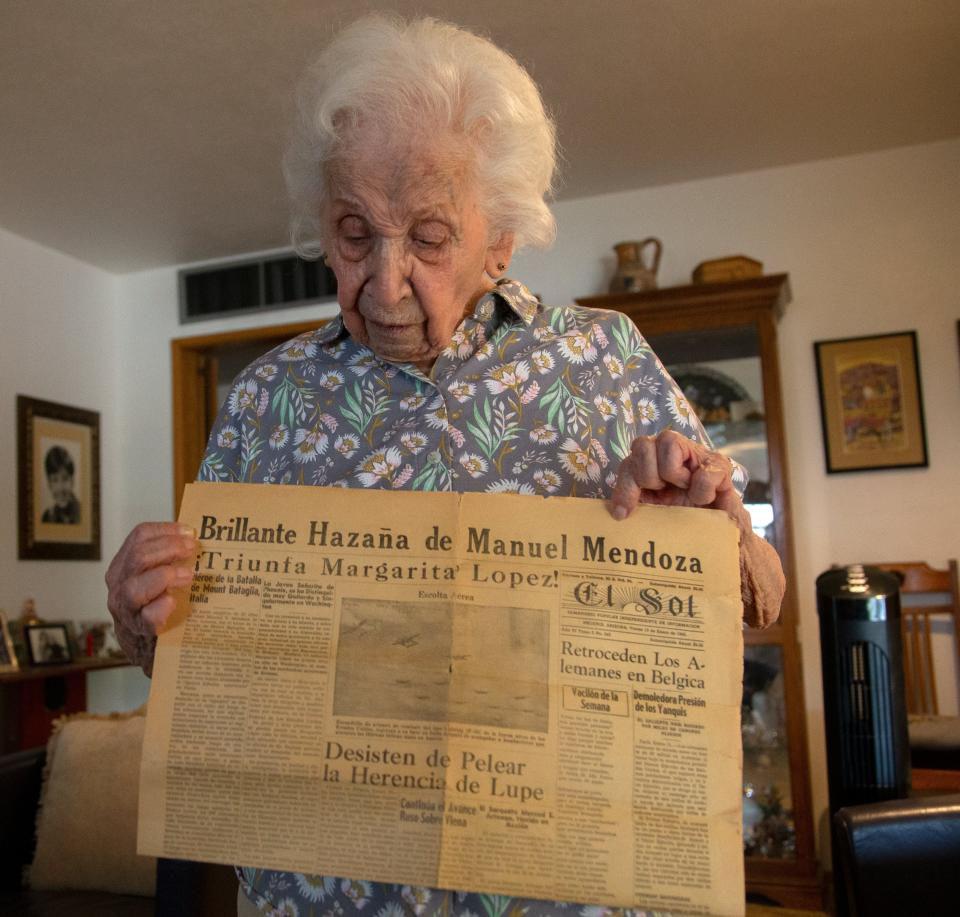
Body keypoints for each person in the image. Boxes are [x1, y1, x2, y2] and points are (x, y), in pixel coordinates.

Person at [106, 15, 785, 916]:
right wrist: (145, 618)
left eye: (427, 238)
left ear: (501, 237)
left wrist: (715, 525)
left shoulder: (607, 358)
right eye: (353, 233)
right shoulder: (268, 398)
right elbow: (204, 655)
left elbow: (761, 598)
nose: (384, 283)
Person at [41, 445, 81, 524]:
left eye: (65, 479)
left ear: (72, 481)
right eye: (55, 480)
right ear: (49, 485)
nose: (60, 488)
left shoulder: (82, 514)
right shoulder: (47, 517)